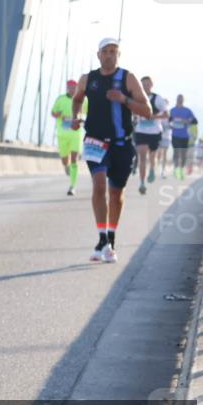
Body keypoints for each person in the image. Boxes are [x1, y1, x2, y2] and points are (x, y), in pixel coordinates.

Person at [70, 38, 152, 263]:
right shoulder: (88, 79)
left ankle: (111, 238)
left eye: (113, 51)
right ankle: (101, 238)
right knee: (98, 185)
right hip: (95, 141)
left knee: (116, 193)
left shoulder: (128, 78)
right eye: (105, 51)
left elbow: (147, 111)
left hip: (122, 144)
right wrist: (76, 117)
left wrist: (124, 99)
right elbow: (77, 99)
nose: (109, 55)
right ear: (98, 55)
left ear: (119, 54)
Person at [50, 80, 88, 195]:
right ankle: (66, 166)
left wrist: (84, 119)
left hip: (76, 134)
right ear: (67, 88)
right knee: (64, 159)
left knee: (74, 159)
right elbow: (53, 112)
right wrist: (59, 115)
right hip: (62, 134)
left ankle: (72, 186)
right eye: (70, 87)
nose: (72, 89)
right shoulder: (60, 99)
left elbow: (90, 112)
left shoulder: (83, 100)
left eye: (74, 87)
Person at [132, 76, 168, 194]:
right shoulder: (137, 97)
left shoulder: (158, 99)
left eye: (148, 84)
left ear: (152, 85)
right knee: (142, 156)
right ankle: (142, 183)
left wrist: (154, 117)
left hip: (155, 132)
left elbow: (167, 115)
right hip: (141, 131)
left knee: (152, 157)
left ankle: (152, 169)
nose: (146, 86)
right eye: (143, 84)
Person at [169, 95, 199, 180]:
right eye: (178, 98)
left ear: (183, 100)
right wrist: (170, 125)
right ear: (176, 99)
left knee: (183, 154)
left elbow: (195, 121)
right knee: (176, 152)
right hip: (175, 135)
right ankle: (176, 169)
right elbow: (168, 120)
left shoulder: (187, 111)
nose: (180, 100)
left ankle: (181, 170)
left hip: (185, 136)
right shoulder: (172, 110)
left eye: (181, 99)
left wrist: (186, 120)